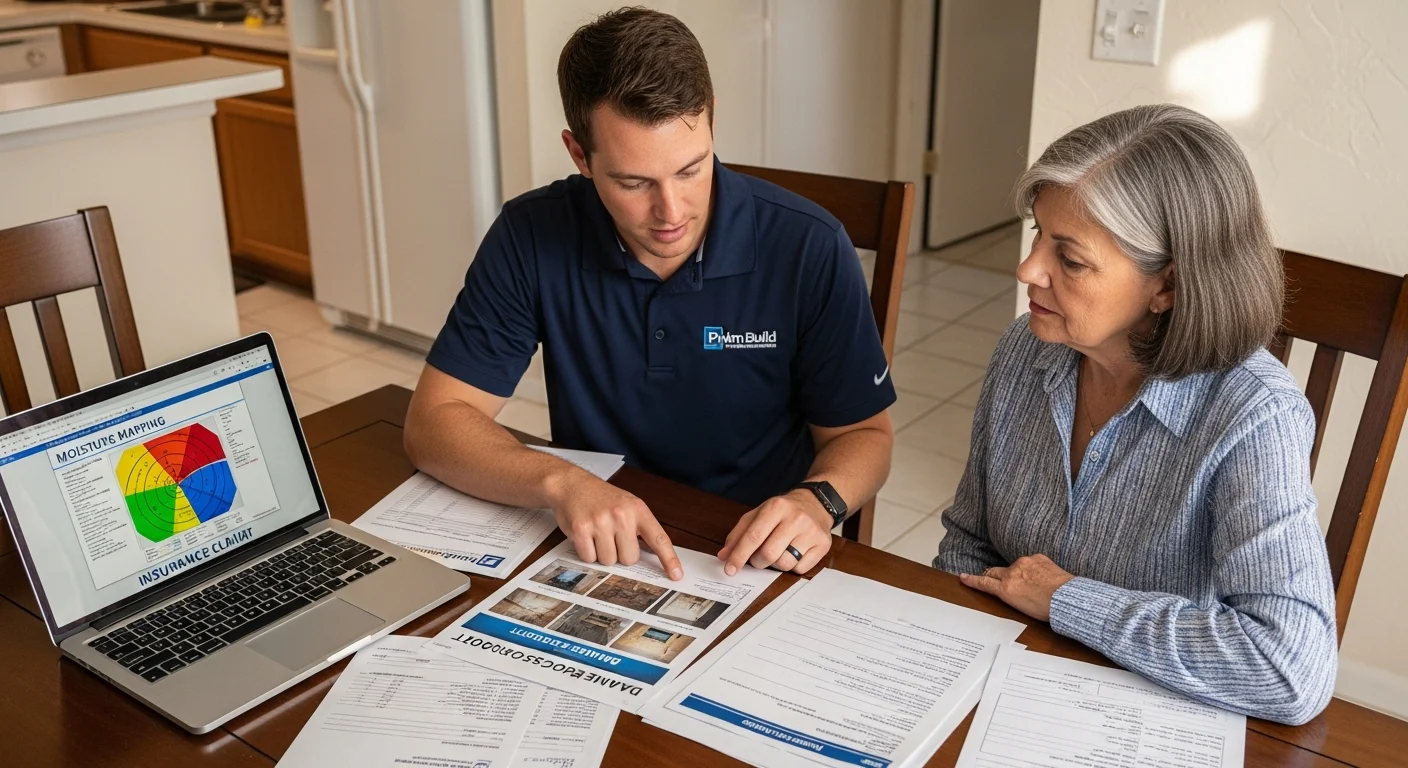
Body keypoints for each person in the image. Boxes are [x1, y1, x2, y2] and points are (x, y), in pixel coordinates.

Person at [404, 8, 895, 581]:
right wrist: (559, 481)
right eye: (634, 183)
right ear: (579, 156)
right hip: (599, 541)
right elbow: (434, 421)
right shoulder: (532, 234)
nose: (671, 212)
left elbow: (866, 435)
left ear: (712, 122)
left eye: (691, 169)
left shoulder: (810, 246)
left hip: (747, 552)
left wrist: (817, 503)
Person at [934, 104, 1337, 725]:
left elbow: (1290, 670)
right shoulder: (1026, 349)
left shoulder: (1255, 414)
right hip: (1006, 700)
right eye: (1037, 234)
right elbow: (968, 541)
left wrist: (1067, 600)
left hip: (1148, 727)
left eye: (1070, 259)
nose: (1027, 270)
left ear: (1167, 286)